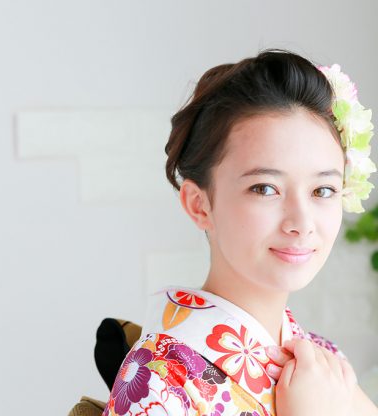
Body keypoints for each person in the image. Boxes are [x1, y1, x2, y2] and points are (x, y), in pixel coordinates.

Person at [102, 48, 378, 415]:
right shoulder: (158, 381)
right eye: (265, 188)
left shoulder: (324, 365)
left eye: (322, 190)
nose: (302, 222)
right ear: (200, 205)